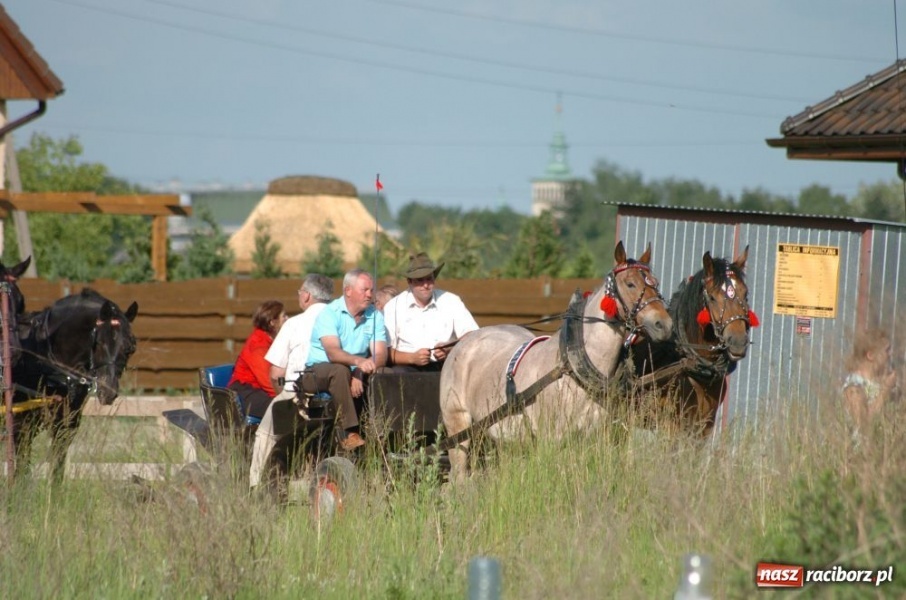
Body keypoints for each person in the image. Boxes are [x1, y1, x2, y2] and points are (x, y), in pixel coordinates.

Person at [248, 274, 335, 489]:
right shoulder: (341, 320)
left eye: (299, 293)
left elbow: (276, 371)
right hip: (335, 395)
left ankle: (256, 486)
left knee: (265, 434)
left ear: (306, 296)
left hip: (299, 394)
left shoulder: (294, 324)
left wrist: (283, 394)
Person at [302, 268, 388, 450]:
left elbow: (380, 354)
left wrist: (359, 371)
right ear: (348, 290)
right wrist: (358, 363)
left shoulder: (375, 316)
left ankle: (388, 429)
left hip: (354, 370)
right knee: (339, 370)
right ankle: (350, 431)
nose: (370, 295)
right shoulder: (329, 314)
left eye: (371, 290)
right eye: (364, 290)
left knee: (386, 373)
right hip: (317, 372)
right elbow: (333, 353)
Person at [383, 252, 479, 373]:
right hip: (406, 367)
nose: (426, 285)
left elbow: (472, 334)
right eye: (420, 280)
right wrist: (412, 358)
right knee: (397, 374)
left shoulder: (451, 301)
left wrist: (449, 349)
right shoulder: (394, 307)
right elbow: (385, 351)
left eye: (429, 279)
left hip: (446, 365)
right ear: (409, 281)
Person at [227, 300, 287, 420]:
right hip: (245, 392)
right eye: (283, 316)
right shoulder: (258, 345)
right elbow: (268, 383)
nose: (287, 319)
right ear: (272, 322)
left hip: (260, 390)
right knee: (283, 410)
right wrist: (287, 396)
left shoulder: (275, 340)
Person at [842, 328, 897, 437]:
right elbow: (863, 424)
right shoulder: (854, 386)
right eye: (886, 350)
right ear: (870, 355)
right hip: (861, 452)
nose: (890, 355)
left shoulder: (877, 383)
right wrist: (885, 389)